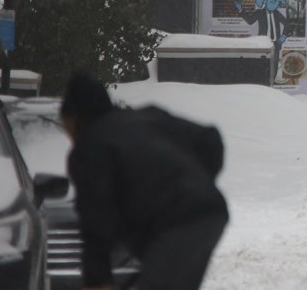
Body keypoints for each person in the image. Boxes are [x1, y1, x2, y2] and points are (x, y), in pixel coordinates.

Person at [60, 70, 228, 290]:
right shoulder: (147, 117)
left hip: (178, 222)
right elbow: (210, 140)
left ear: (75, 118)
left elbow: (95, 216)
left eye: (65, 124)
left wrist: (97, 279)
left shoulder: (91, 147)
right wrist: (195, 184)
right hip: (208, 210)